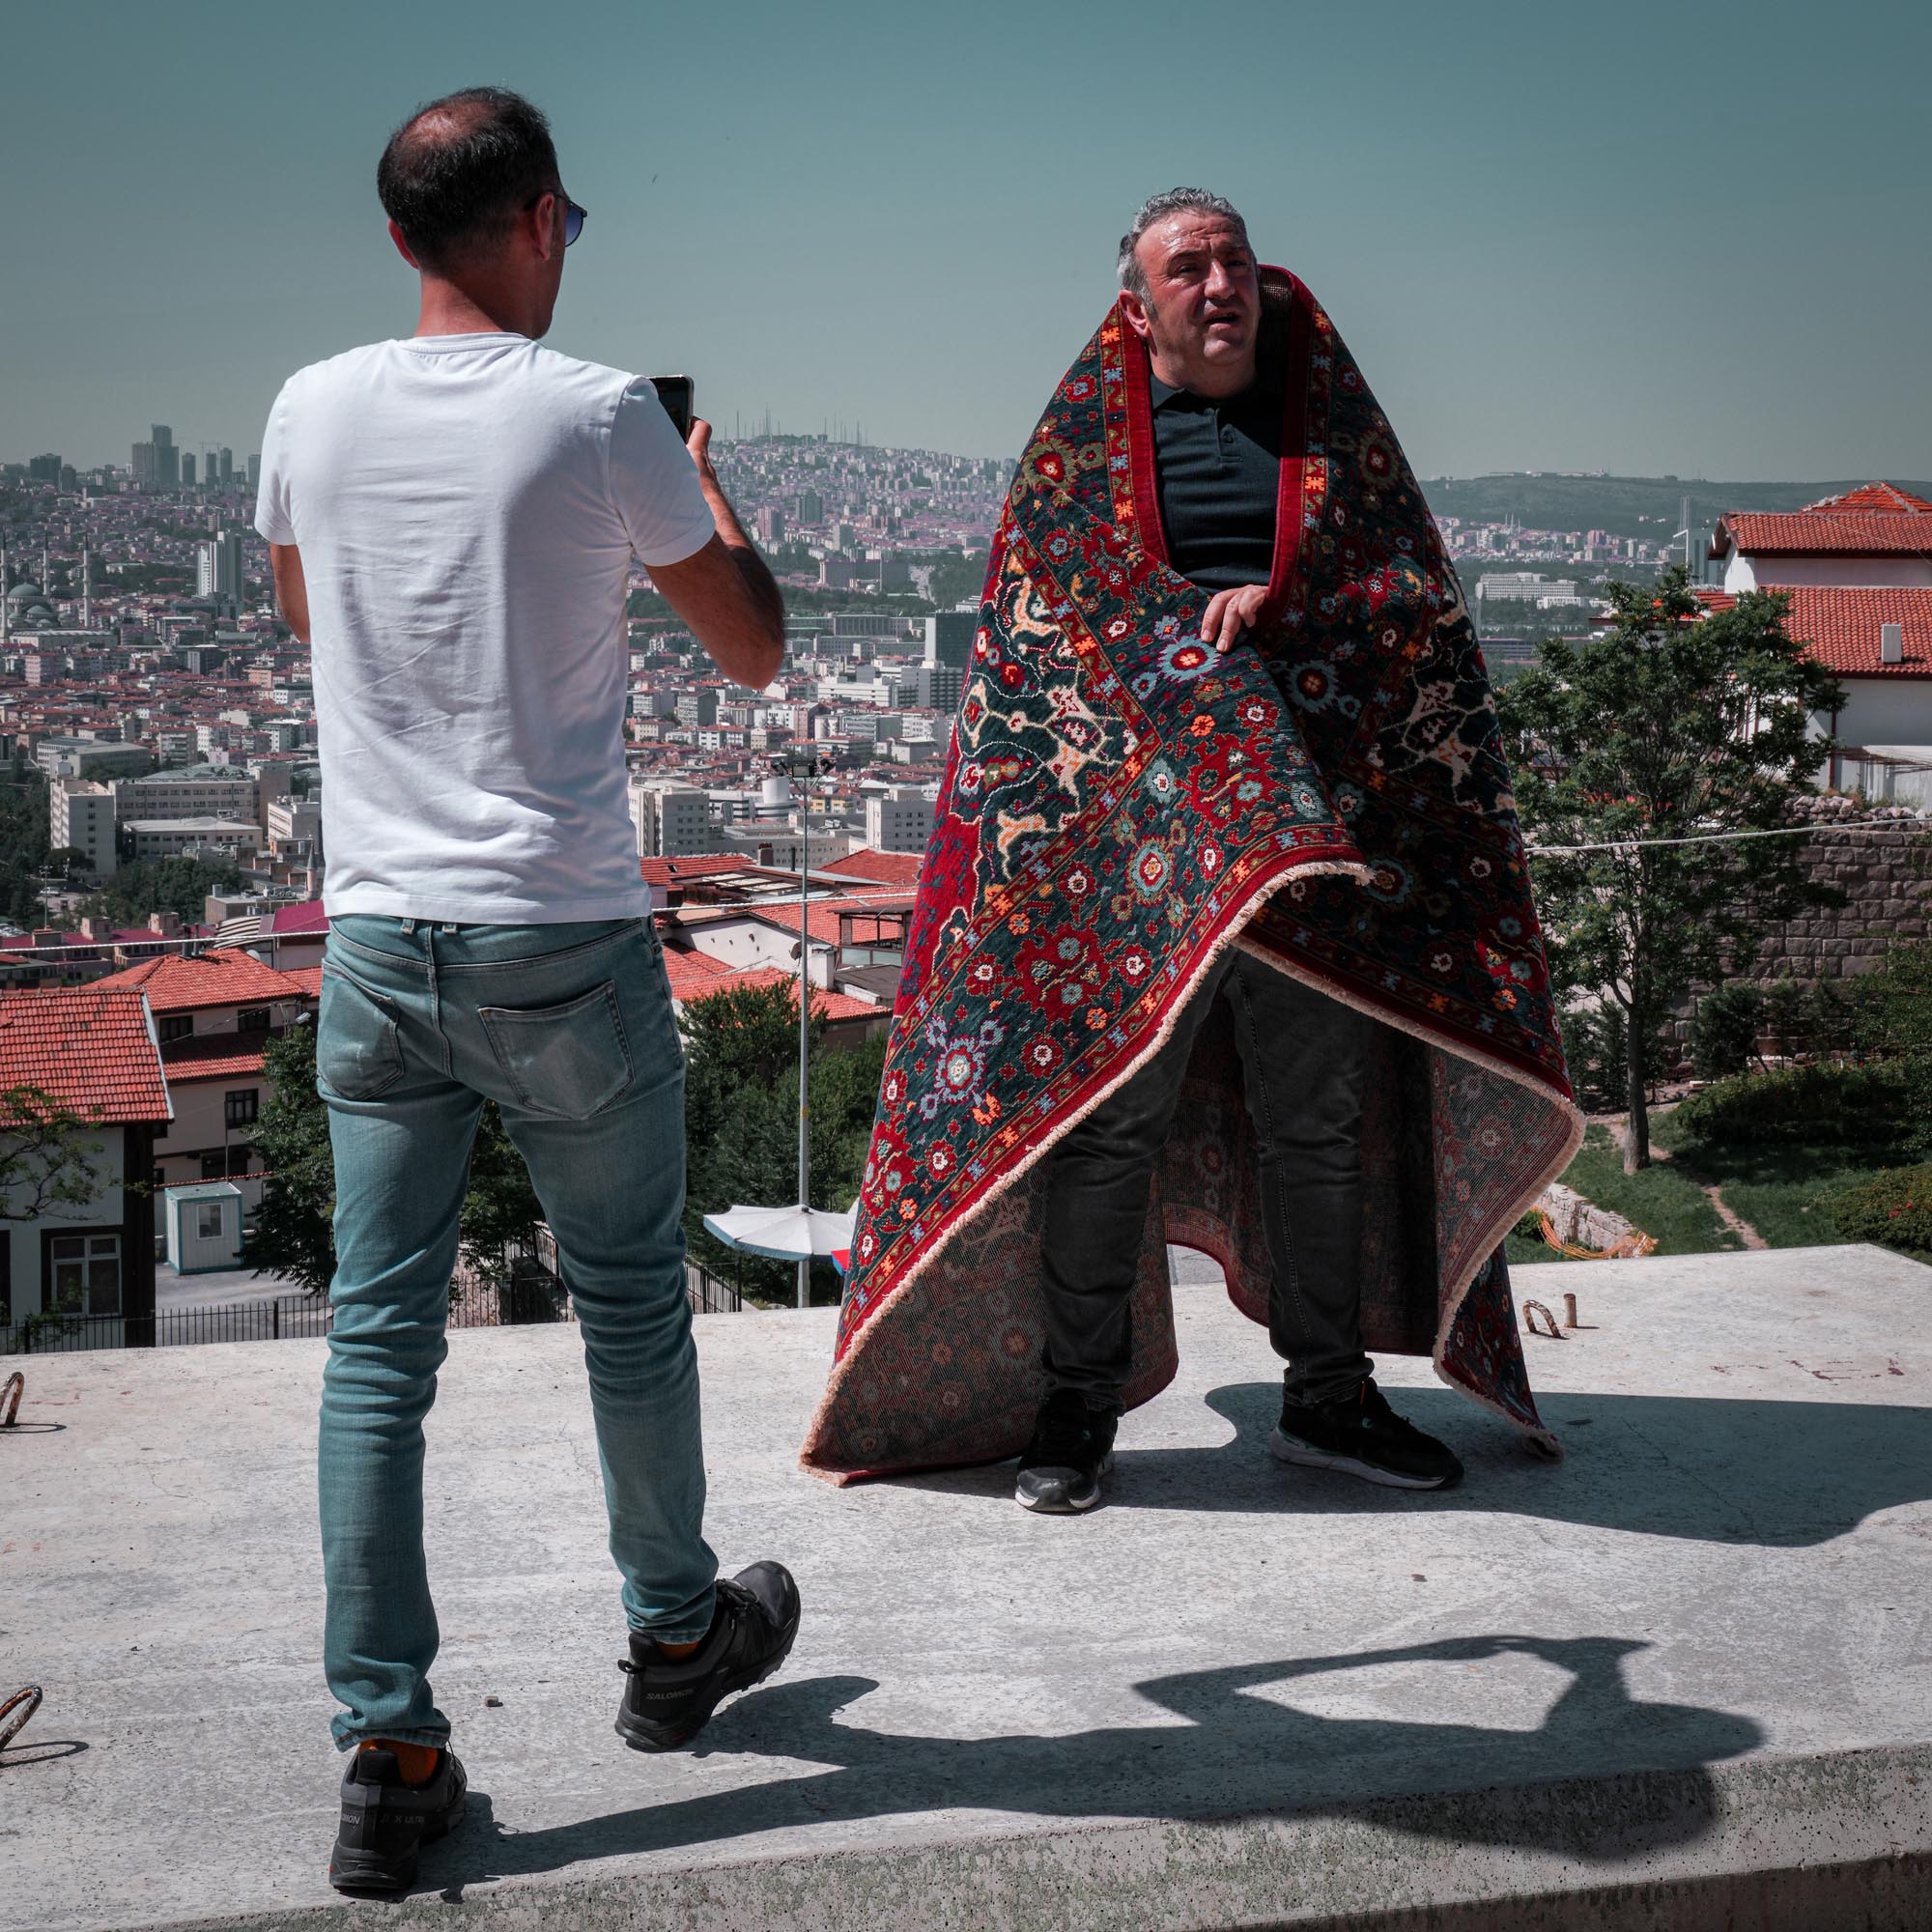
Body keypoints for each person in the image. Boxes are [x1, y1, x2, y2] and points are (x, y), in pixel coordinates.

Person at [802, 191, 1581, 1499]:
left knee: (1320, 1122)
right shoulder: (1084, 448)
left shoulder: (1332, 437)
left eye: (1235, 261)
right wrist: (1181, 655)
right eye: (1189, 267)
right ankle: (1074, 1409)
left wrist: (1297, 606)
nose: (1221, 283)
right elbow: (1044, 612)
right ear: (1140, 302)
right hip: (1133, 847)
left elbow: (1408, 597)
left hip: (1311, 839)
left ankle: (1329, 1398)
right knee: (1105, 1119)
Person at [256, 87, 800, 1894]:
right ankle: (672, 1635)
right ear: (539, 222)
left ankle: (390, 1741)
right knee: (630, 1301)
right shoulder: (599, 415)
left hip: (377, 941)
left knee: (375, 1343)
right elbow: (754, 642)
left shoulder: (304, 409)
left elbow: (310, 620)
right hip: (556, 934)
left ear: (402, 236)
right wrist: (696, 469)